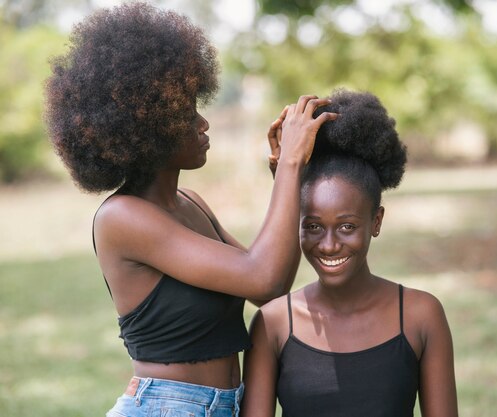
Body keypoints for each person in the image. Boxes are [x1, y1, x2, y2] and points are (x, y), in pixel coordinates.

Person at [44, 3, 336, 416]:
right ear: (146, 126)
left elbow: (269, 286)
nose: (203, 123)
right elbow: (264, 278)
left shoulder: (191, 204)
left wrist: (285, 176)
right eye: (185, 114)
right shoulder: (122, 218)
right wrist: (290, 163)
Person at [241, 90, 458, 417]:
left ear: (376, 221)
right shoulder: (274, 324)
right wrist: (288, 165)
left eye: (346, 227)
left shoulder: (421, 315)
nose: (328, 245)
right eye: (313, 226)